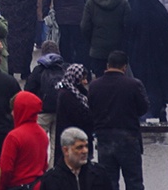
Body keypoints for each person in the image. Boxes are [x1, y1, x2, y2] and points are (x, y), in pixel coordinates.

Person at [87, 51, 149, 190]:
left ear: (107, 65)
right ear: (124, 67)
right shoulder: (133, 84)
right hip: (129, 137)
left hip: (104, 138)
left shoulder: (95, 86)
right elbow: (143, 108)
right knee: (134, 182)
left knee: (109, 182)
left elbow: (90, 109)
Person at [80, 0, 129, 76]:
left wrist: (93, 41)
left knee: (101, 80)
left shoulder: (91, 2)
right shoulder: (123, 2)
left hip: (98, 50)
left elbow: (85, 27)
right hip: (118, 49)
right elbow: (128, 26)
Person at [25, 41, 66, 165]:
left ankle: (38, 170)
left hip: (42, 112)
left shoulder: (39, 69)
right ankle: (53, 172)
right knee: (56, 146)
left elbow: (28, 89)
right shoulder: (64, 68)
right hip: (60, 112)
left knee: (38, 144)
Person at [0, 91, 49, 190]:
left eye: (14, 109)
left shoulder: (14, 136)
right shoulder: (42, 134)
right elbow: (44, 165)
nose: (12, 113)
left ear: (20, 110)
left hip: (18, 185)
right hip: (36, 185)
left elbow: (5, 170)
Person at [39, 126, 111, 190]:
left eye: (86, 146)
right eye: (79, 147)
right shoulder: (51, 180)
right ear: (66, 150)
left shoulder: (99, 173)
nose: (85, 151)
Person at [54, 64, 94, 164]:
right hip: (72, 136)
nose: (85, 82)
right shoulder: (67, 94)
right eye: (82, 79)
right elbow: (78, 115)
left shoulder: (78, 91)